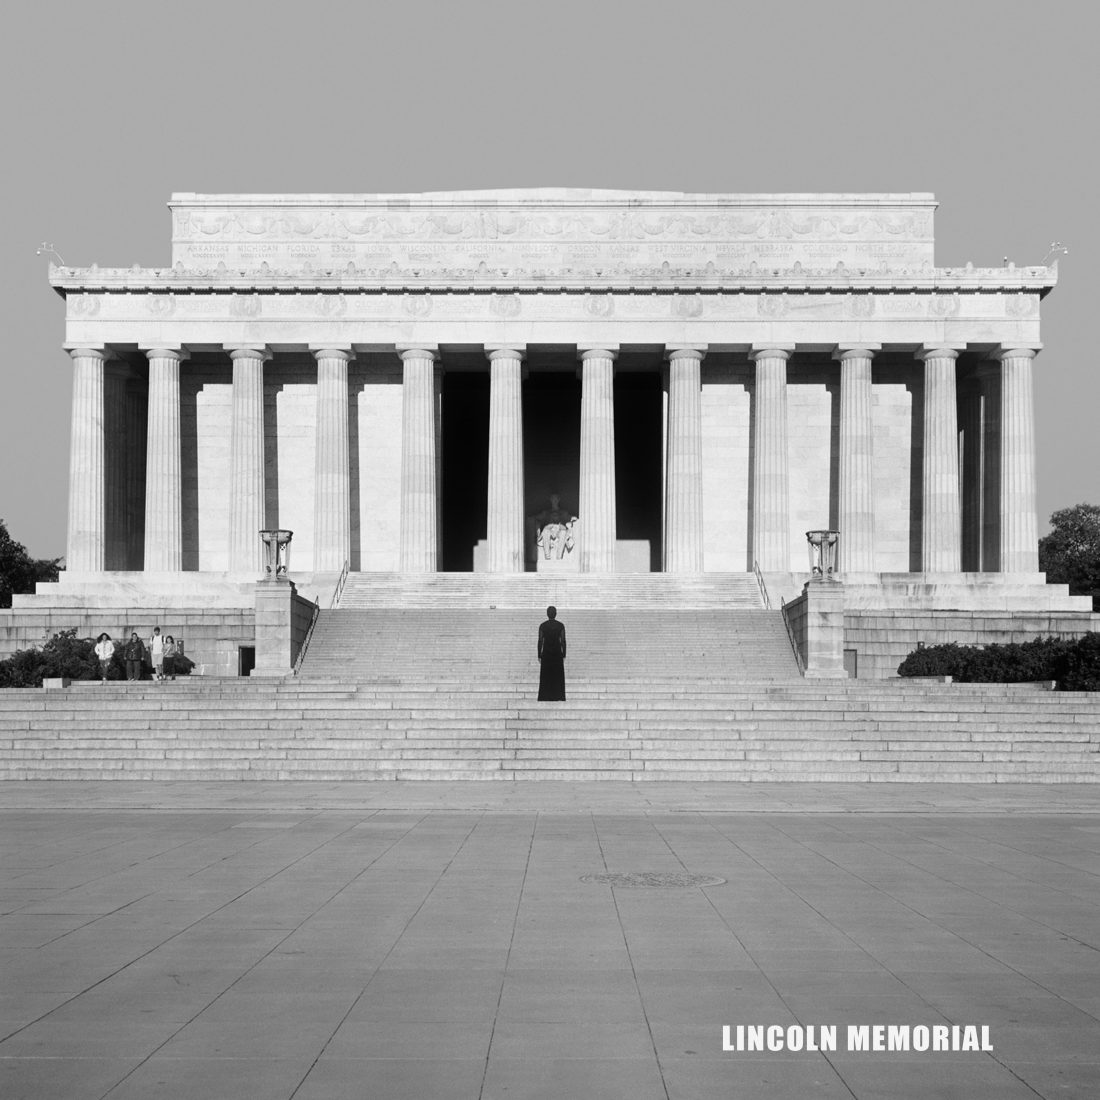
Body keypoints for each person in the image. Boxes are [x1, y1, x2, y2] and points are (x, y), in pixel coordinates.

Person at [537, 605, 567, 702]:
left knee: (546, 675)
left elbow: (540, 640)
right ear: (556, 614)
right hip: (557, 653)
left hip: (546, 653)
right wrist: (564, 653)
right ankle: (558, 696)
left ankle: (545, 696)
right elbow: (563, 641)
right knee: (557, 676)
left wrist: (539, 654)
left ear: (547, 614)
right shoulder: (560, 625)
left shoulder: (543, 625)